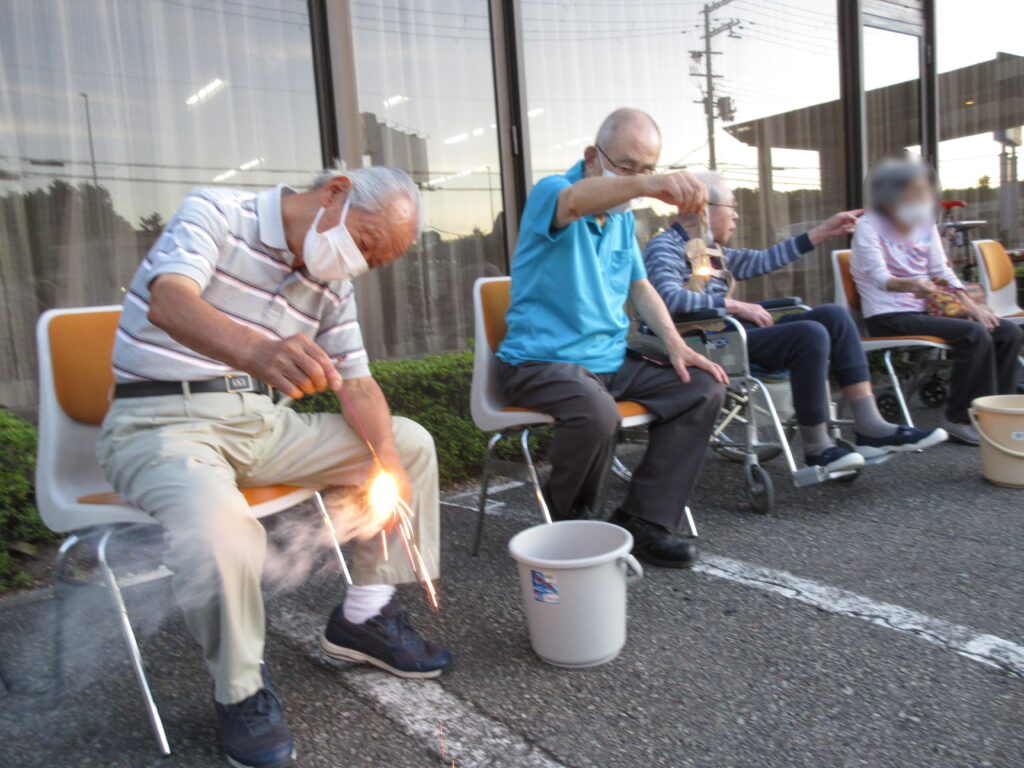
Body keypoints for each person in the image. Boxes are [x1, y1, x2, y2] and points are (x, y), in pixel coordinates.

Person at [98, 165, 451, 768]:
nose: (361, 262)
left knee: (408, 443)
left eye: (377, 261)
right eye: (365, 243)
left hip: (263, 426)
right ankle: (240, 691)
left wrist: (386, 470)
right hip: (162, 422)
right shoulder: (215, 213)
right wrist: (259, 350)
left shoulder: (332, 282)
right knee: (221, 526)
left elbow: (359, 385)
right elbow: (168, 301)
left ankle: (364, 617)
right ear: (336, 192)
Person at [497, 108, 729, 570]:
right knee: (596, 412)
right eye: (627, 166)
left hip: (607, 362)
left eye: (647, 169)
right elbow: (578, 201)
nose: (639, 180)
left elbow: (639, 287)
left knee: (702, 387)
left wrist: (676, 345)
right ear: (591, 156)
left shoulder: (622, 220)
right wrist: (649, 184)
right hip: (539, 362)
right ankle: (570, 523)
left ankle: (643, 520)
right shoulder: (554, 193)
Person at [644, 170, 947, 473]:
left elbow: (762, 260)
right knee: (808, 333)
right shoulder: (665, 247)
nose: (736, 216)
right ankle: (816, 447)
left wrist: (824, 231)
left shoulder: (708, 250)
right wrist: (734, 304)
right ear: (704, 209)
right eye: (732, 207)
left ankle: (870, 427)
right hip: (702, 343)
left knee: (834, 316)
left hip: (729, 333)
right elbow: (668, 298)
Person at [851, 157, 1023, 445]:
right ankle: (958, 419)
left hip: (926, 308)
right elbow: (881, 278)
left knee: (1005, 331)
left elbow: (941, 270)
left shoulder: (925, 222)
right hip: (888, 314)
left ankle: (994, 413)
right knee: (972, 334)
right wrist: (914, 284)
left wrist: (972, 305)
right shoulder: (868, 227)